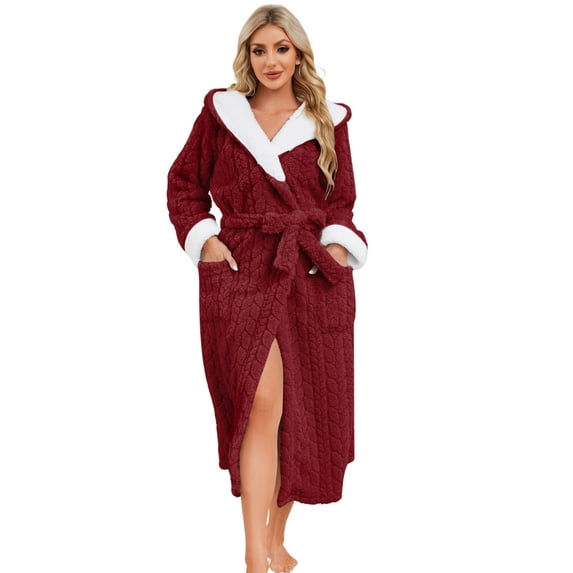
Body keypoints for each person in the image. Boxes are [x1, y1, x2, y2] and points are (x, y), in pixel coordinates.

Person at [166, 5, 368, 572]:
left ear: (298, 54)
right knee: (260, 401)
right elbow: (183, 184)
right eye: (259, 50)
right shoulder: (222, 116)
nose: (270, 61)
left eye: (281, 48)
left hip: (309, 274)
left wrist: (336, 246)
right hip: (242, 267)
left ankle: (276, 543)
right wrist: (205, 240)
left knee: (300, 408)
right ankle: (255, 556)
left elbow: (341, 202)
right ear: (246, 57)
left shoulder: (328, 121)